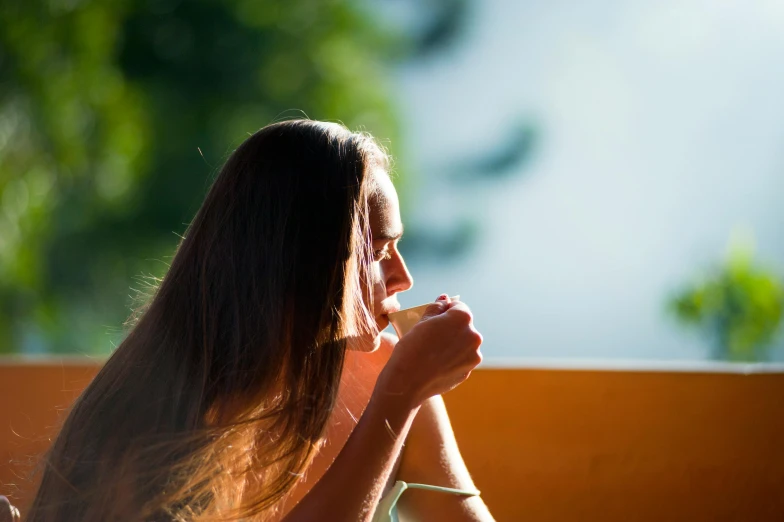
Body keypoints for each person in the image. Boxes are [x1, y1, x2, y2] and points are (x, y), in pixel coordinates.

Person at [27, 120, 494, 521]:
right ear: (299, 260)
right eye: (377, 251)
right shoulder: (155, 412)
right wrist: (398, 397)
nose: (403, 277)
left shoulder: (388, 373)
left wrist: (404, 390)